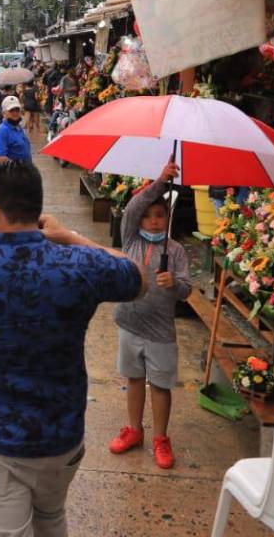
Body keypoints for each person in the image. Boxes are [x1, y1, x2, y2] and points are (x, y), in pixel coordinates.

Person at [0, 161, 146, 537]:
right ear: (37, 209)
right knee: (51, 516)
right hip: (62, 437)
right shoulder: (76, 265)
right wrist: (71, 236)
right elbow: (138, 278)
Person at [109, 162, 191, 470]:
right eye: (149, 216)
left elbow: (186, 290)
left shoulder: (176, 250)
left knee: (159, 385)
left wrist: (174, 284)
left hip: (160, 331)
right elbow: (132, 206)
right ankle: (134, 429)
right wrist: (160, 181)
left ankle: (160, 438)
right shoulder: (131, 239)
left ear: (168, 218)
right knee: (133, 379)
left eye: (160, 215)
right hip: (129, 324)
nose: (154, 221)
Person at [0, 96, 31, 163]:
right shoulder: (2, 131)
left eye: (17, 110)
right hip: (14, 169)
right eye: (11, 110)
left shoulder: (19, 128)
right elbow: (0, 159)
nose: (15, 113)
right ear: (4, 113)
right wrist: (21, 167)